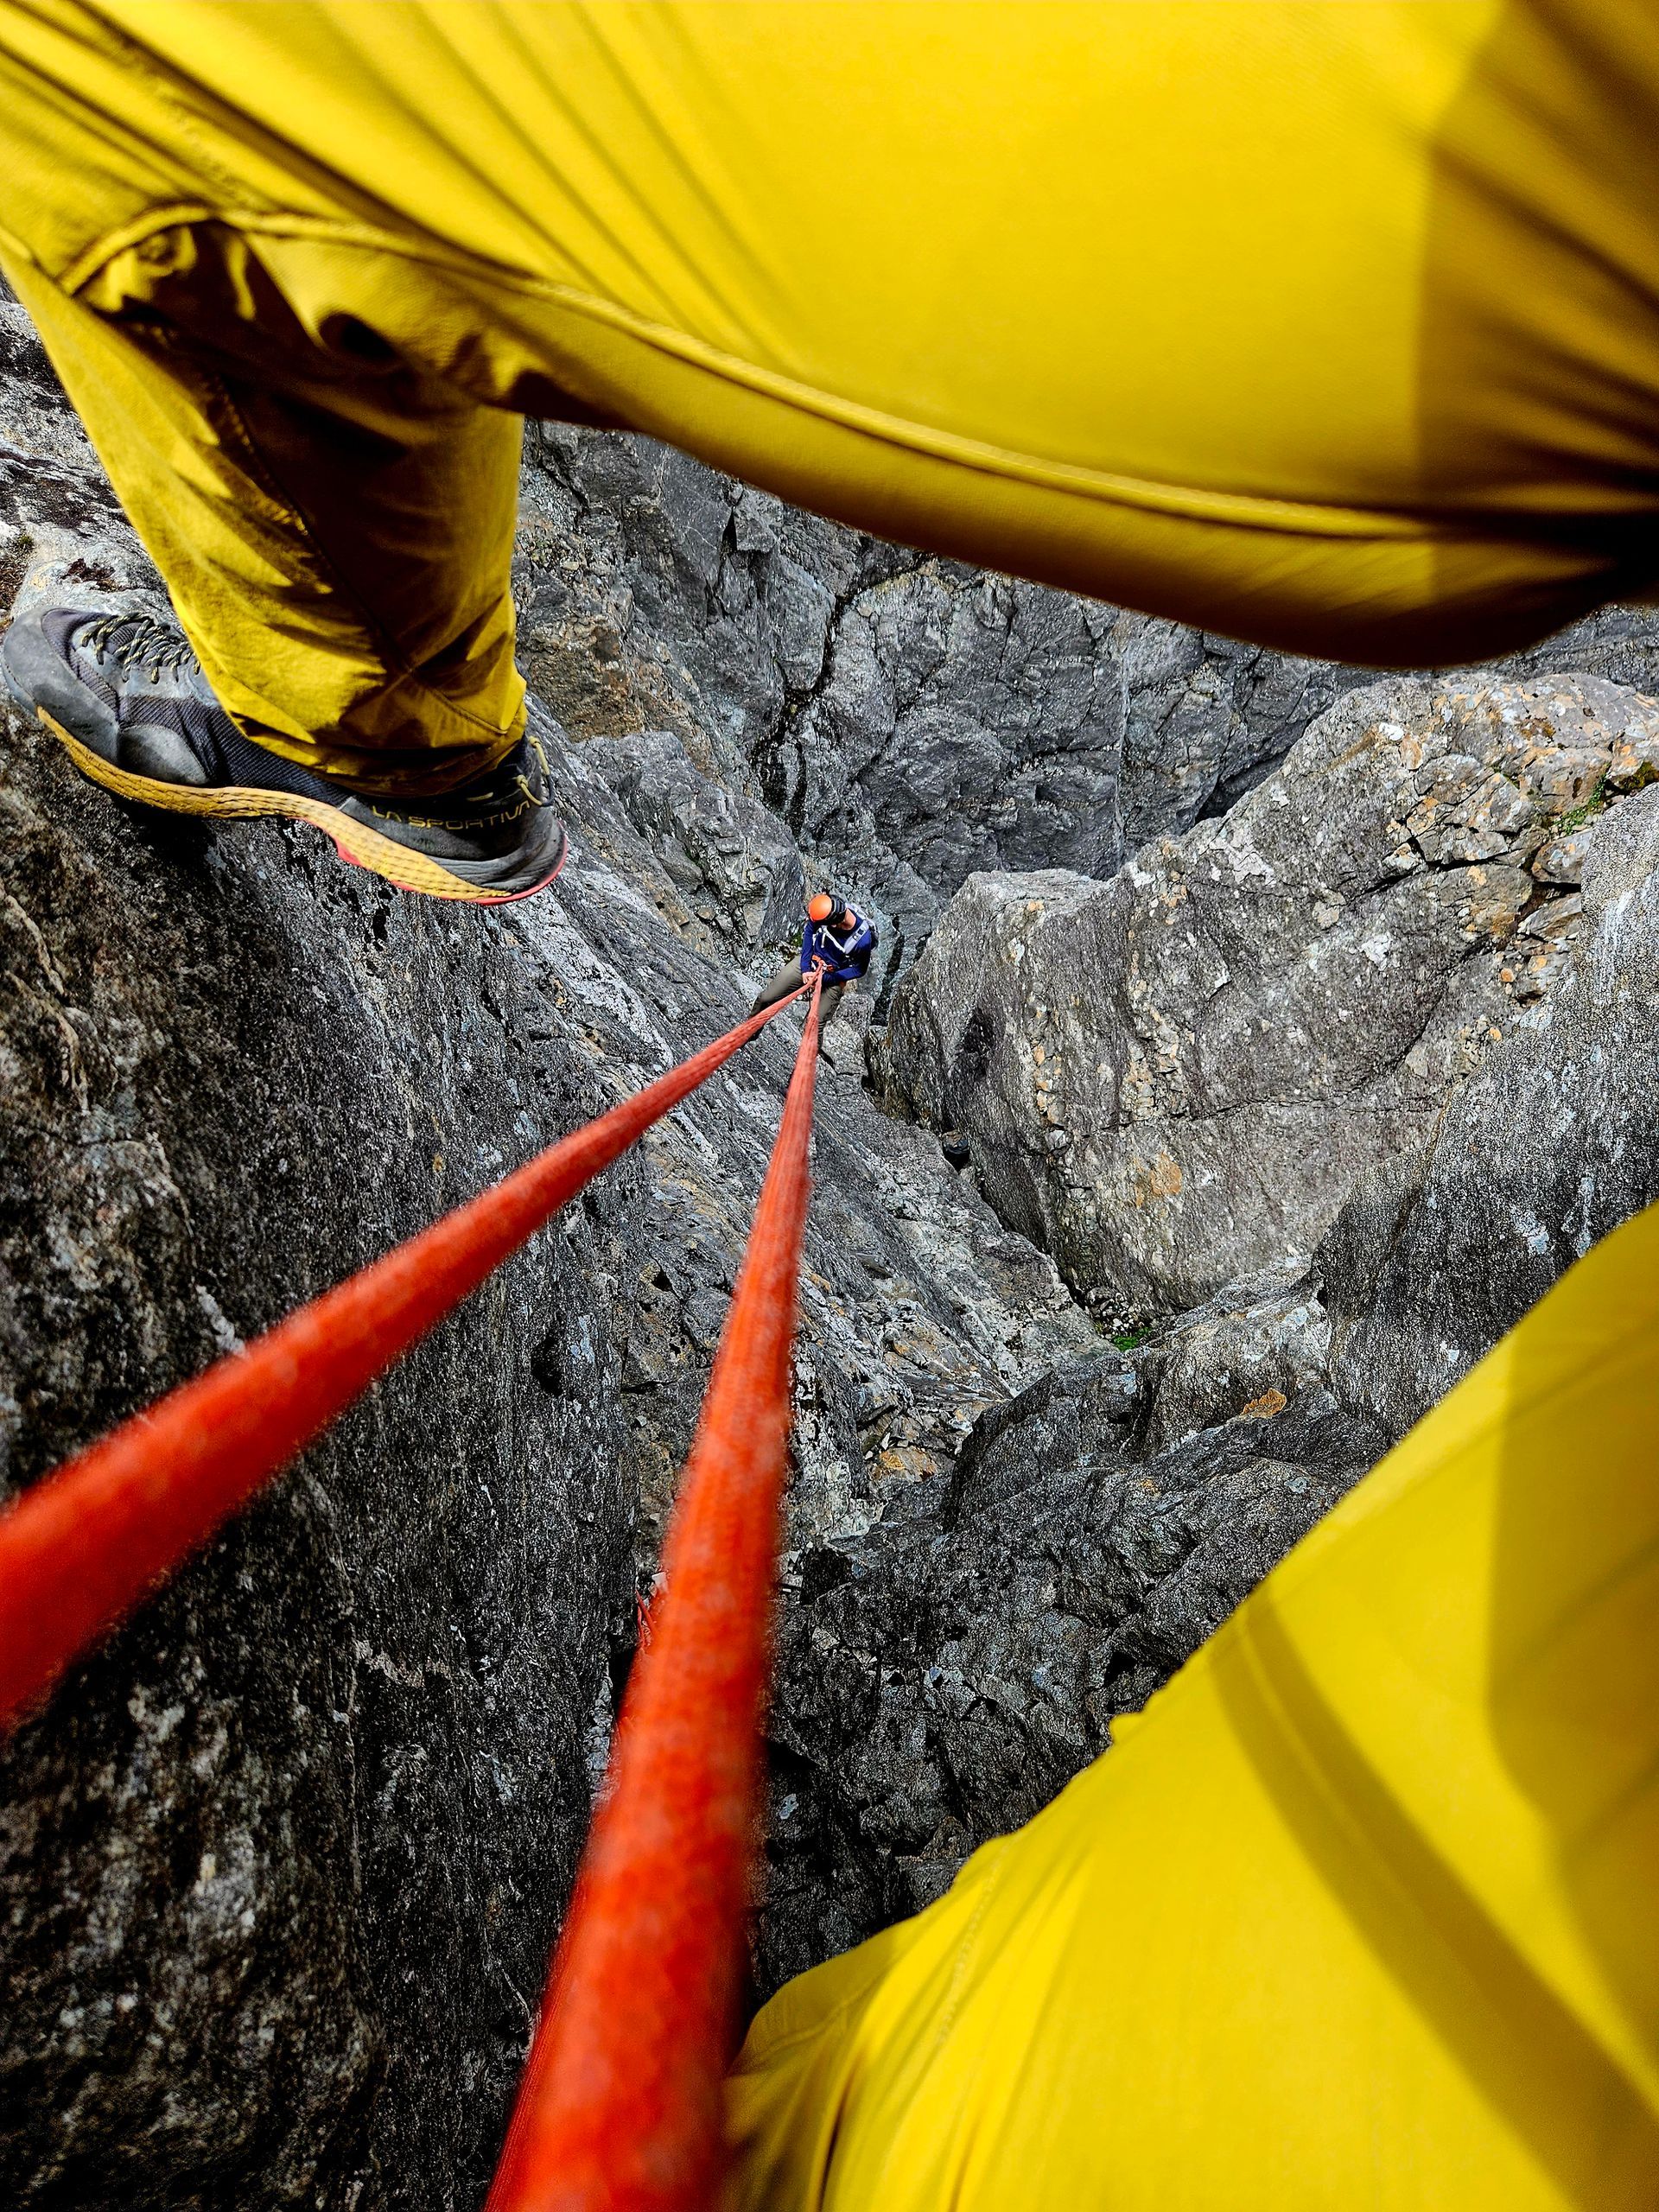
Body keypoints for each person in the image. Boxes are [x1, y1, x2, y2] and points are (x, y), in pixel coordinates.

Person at [749, 891, 877, 1054]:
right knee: (765, 998)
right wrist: (805, 968)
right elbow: (809, 931)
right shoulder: (827, 910)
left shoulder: (862, 940)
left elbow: (859, 969)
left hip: (833, 975)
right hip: (811, 961)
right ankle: (747, 1034)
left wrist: (829, 979)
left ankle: (801, 1073)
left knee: (814, 1025)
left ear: (835, 923)